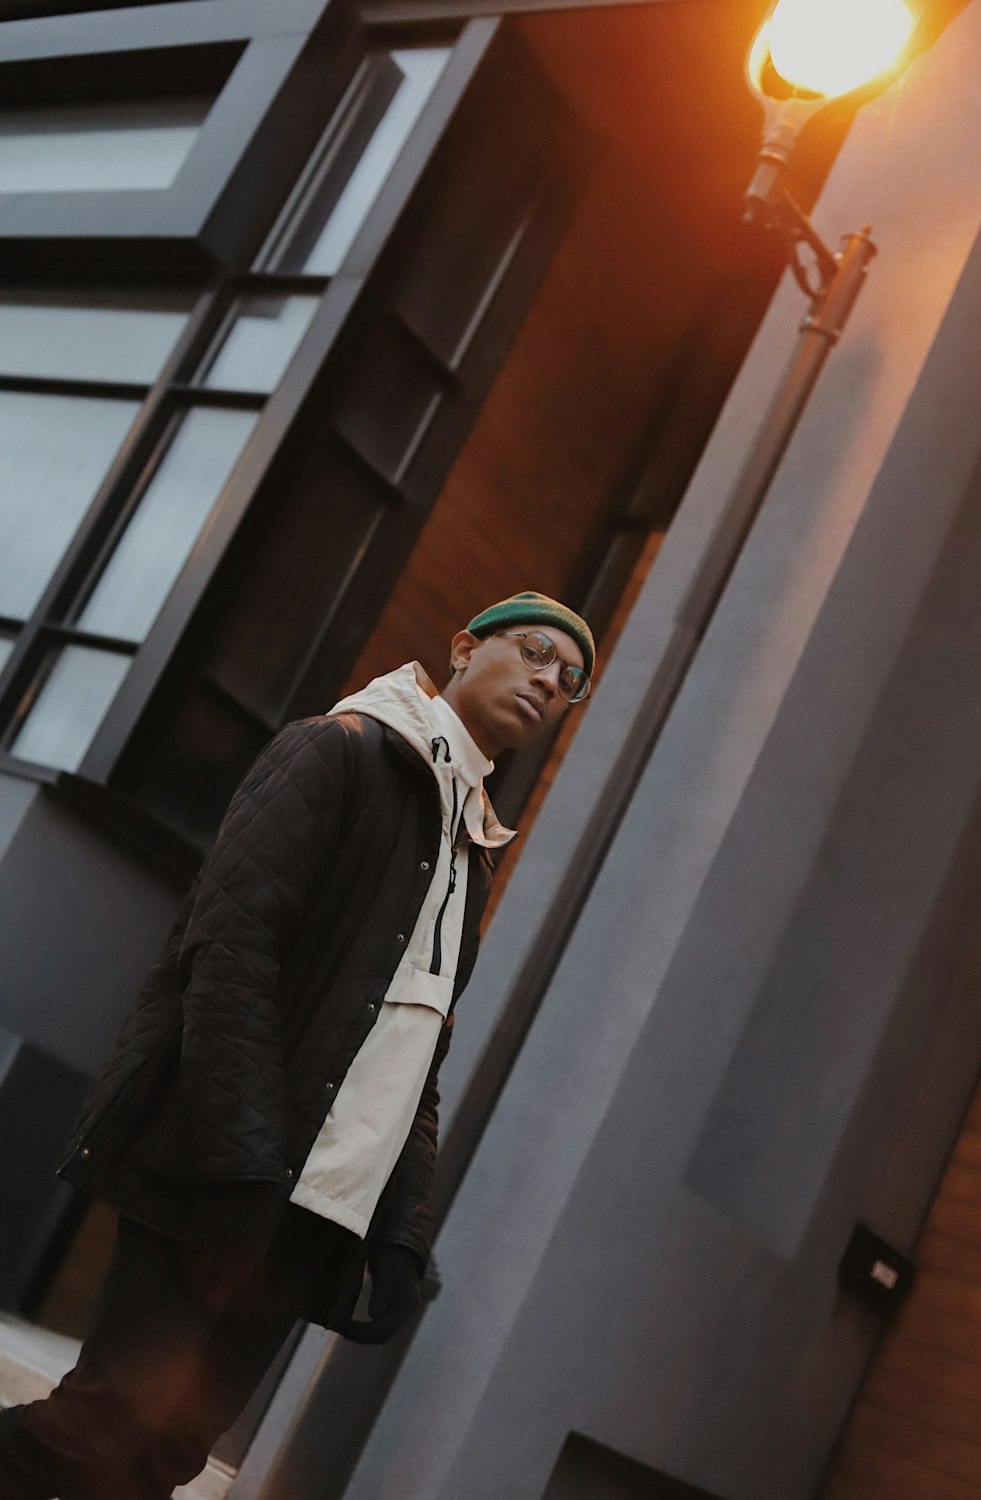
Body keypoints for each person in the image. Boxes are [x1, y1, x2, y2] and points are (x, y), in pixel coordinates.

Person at [0, 591, 596, 1500]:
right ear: (464, 648)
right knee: (100, 1431)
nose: (549, 680)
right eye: (533, 651)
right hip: (220, 1175)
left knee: (164, 1458)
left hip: (317, 1218)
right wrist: (240, 1173)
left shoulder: (468, 846)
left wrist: (401, 1234)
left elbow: (414, 1056)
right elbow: (229, 955)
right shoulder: (341, 750)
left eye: (570, 683)